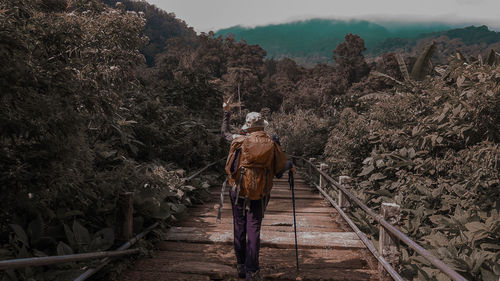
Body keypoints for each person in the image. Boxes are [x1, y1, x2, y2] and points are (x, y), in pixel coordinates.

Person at [221, 97, 293, 280]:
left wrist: (226, 112)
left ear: (247, 127)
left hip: (238, 190)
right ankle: (252, 271)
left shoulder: (238, 140)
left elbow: (225, 133)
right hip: (260, 193)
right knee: (254, 228)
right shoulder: (271, 143)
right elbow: (279, 170)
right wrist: (290, 164)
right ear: (262, 126)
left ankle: (241, 265)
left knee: (239, 226)